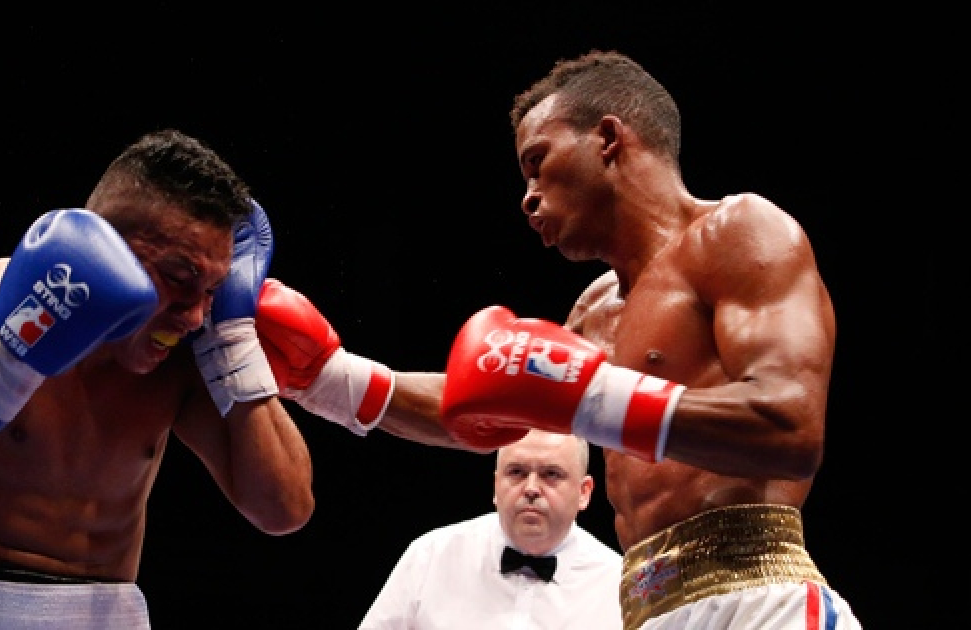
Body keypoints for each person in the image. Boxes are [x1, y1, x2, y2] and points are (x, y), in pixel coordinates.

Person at [255, 50, 863, 629]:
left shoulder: (740, 232)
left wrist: (587, 396)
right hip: (647, 609)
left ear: (607, 138)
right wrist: (330, 379)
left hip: (758, 598)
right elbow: (481, 408)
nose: (527, 196)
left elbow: (790, 428)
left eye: (537, 162)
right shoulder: (595, 310)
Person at [0, 128, 315, 629]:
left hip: (112, 614)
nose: (195, 315)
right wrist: (15, 350)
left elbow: (285, 509)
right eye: (178, 276)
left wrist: (235, 342)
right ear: (106, 248)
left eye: (214, 289)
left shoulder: (183, 357)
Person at [358, 430, 622, 629]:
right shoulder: (431, 555)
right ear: (496, 485)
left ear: (584, 492)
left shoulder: (619, 584)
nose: (531, 488)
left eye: (551, 474)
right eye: (516, 472)